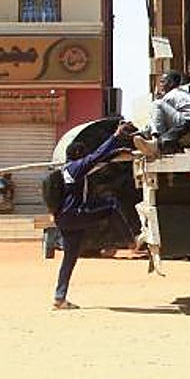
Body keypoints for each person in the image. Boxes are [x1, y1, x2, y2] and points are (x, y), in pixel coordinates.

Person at [52, 120, 138, 310]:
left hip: (64, 219)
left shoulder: (67, 169)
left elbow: (99, 161)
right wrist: (115, 136)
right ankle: (131, 241)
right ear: (77, 155)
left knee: (70, 258)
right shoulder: (77, 167)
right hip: (75, 215)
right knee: (111, 207)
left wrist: (117, 153)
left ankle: (59, 298)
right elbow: (96, 156)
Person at [150, 70, 190, 153]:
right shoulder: (183, 93)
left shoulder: (171, 95)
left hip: (187, 123)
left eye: (162, 82)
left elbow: (157, 117)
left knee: (157, 103)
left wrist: (150, 132)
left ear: (171, 83)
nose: (160, 85)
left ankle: (156, 141)